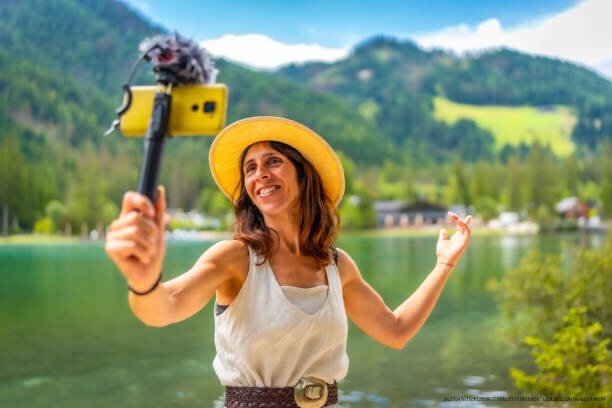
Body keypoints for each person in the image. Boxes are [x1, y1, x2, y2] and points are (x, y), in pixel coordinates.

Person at [105, 116, 472, 408]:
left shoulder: (337, 265)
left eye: (273, 161)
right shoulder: (234, 258)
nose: (260, 174)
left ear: (302, 173)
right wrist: (144, 280)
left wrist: (443, 265)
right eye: (250, 168)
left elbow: (396, 331)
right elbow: (162, 309)